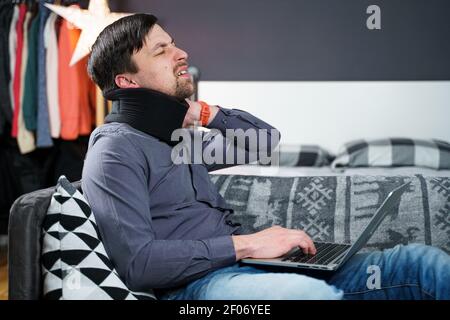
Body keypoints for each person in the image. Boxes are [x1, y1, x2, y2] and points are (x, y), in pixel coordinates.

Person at [82, 13, 450, 300]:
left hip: (254, 269)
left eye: (173, 44)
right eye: (161, 50)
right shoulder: (114, 151)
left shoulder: (179, 139)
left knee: (420, 264)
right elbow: (138, 264)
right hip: (197, 289)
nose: (182, 54)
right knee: (306, 295)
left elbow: (263, 143)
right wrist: (249, 244)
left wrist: (203, 113)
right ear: (127, 82)